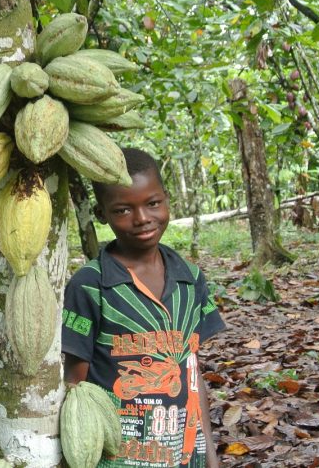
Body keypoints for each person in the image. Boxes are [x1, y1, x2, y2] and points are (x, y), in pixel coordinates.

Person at [62, 148, 225, 468]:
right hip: (116, 458)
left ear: (166, 200)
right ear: (101, 213)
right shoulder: (90, 285)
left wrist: (210, 455)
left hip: (183, 454)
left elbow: (191, 372)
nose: (141, 219)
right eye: (123, 210)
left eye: (152, 203)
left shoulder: (191, 279)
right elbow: (75, 385)